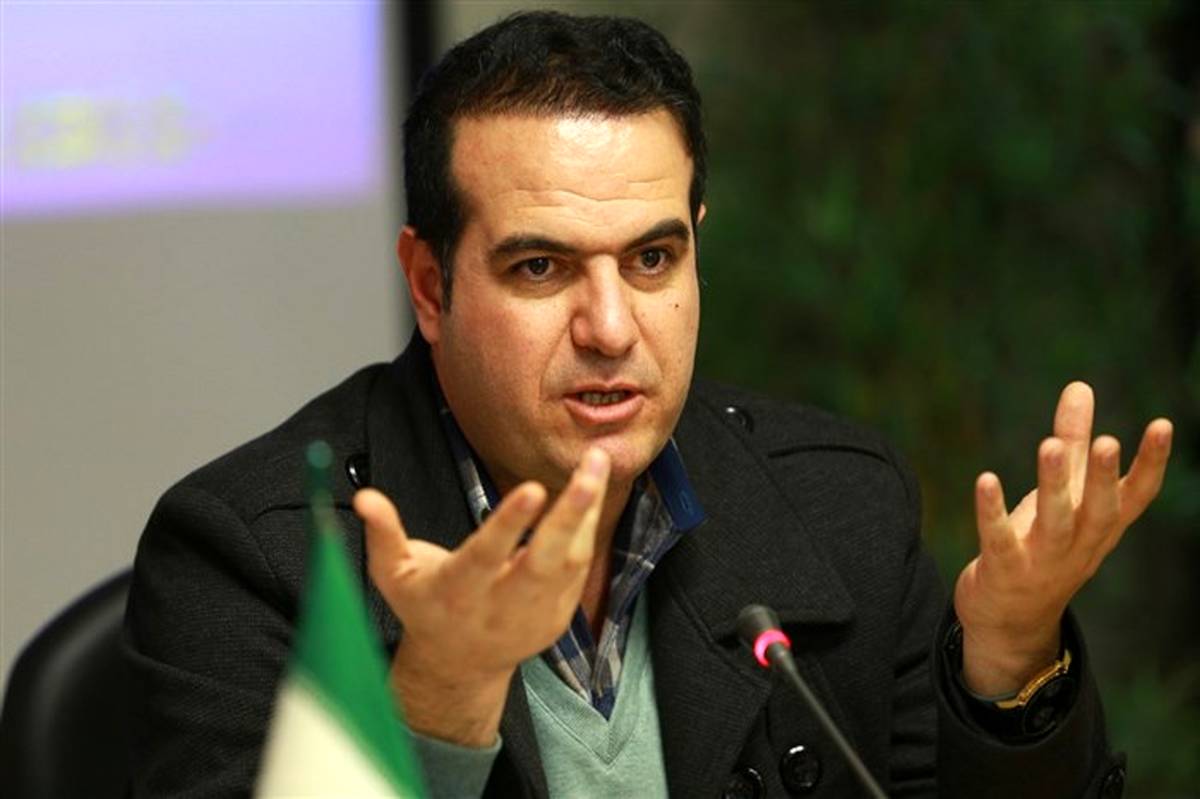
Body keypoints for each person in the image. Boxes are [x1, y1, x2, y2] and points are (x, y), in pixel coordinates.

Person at [125, 11, 1173, 798]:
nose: (612, 327)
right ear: (431, 285)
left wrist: (1009, 658)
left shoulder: (840, 504)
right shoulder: (250, 558)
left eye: (653, 258)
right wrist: (439, 698)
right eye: (541, 267)